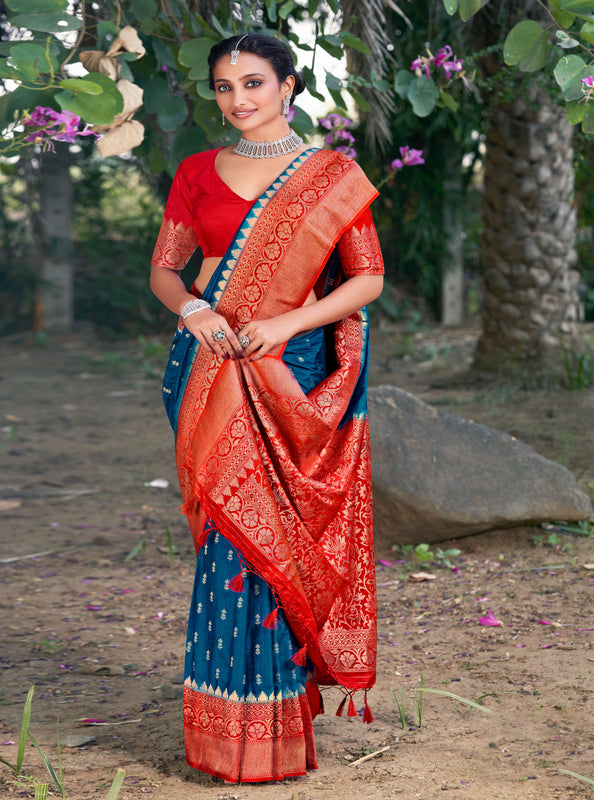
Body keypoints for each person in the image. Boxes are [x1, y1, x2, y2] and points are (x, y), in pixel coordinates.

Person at [149, 31, 384, 784]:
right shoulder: (195, 171)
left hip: (290, 375)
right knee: (229, 540)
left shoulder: (332, 176)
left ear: (288, 85)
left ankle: (276, 731)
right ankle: (226, 736)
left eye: (254, 83)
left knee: (276, 538)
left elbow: (366, 280)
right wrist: (194, 312)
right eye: (224, 87)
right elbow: (165, 271)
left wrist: (285, 323)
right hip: (211, 370)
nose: (238, 100)